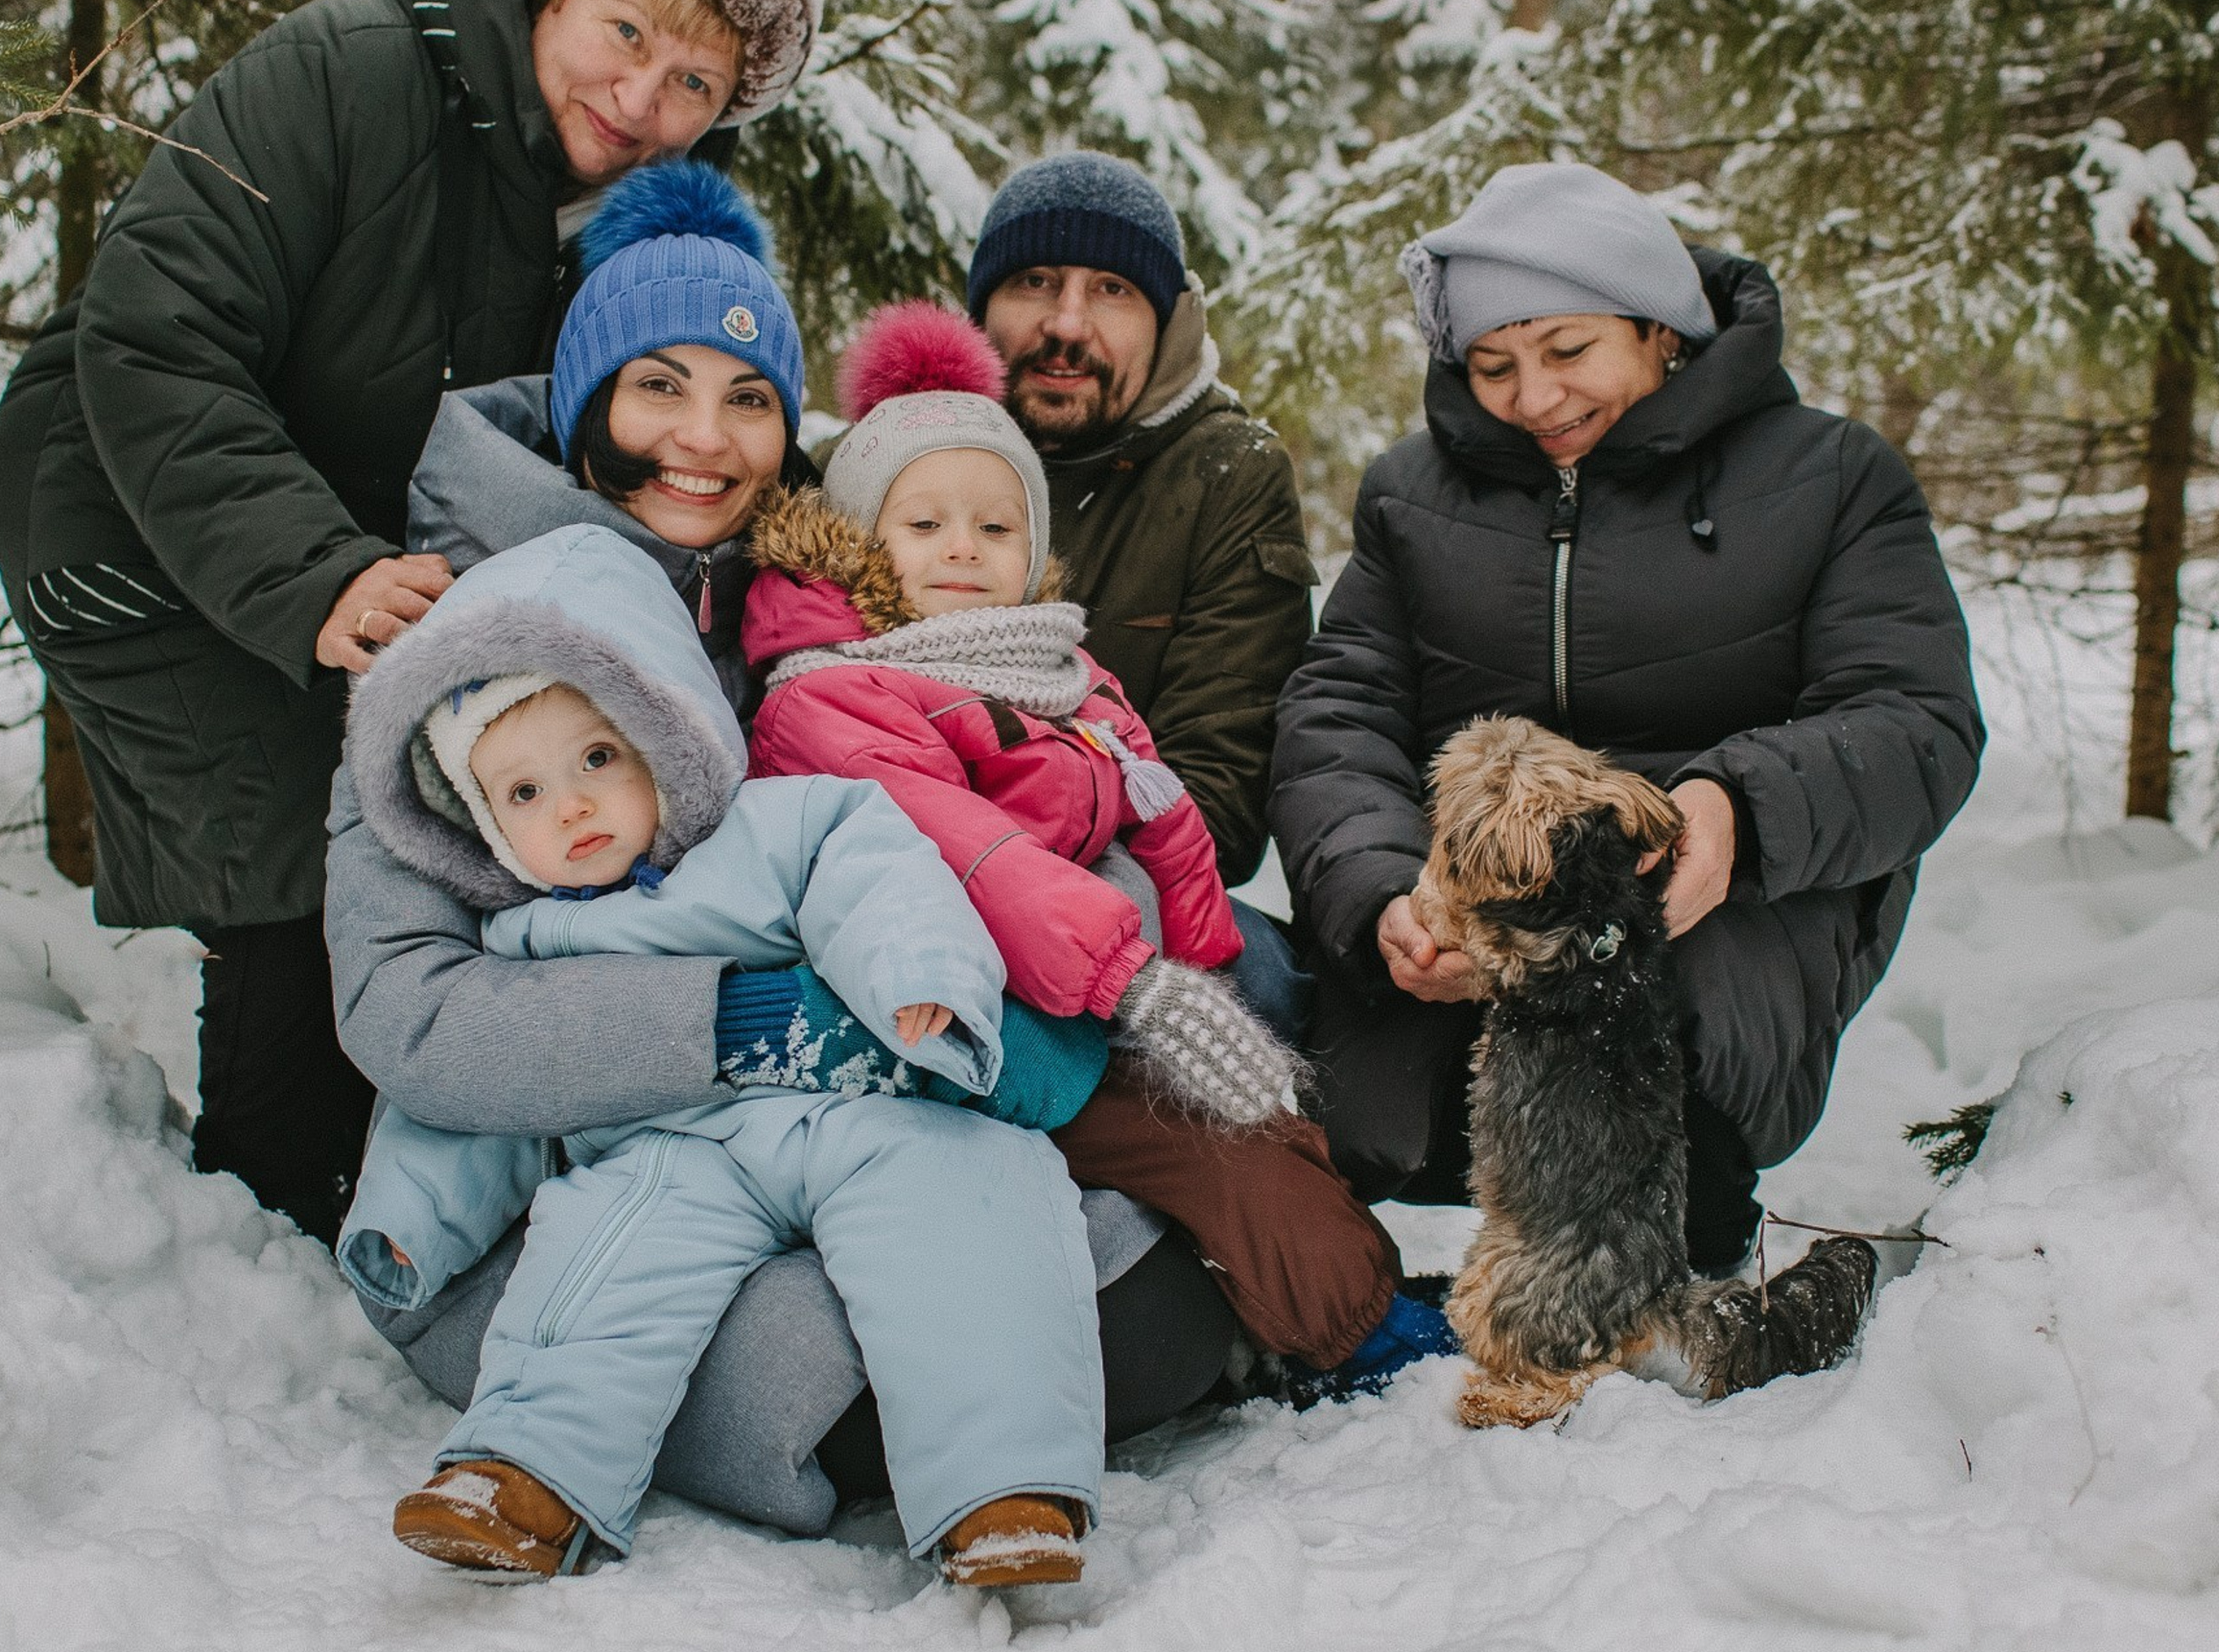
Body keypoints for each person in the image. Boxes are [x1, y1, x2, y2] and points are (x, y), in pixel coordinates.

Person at [325, 160, 1252, 1546]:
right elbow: (414, 1022)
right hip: (604, 1154)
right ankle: (536, 1472)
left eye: (748, 399)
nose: (705, 440)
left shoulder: (815, 593)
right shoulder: (467, 647)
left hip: (883, 1107)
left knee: (1138, 1288)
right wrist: (759, 1021)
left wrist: (1022, 959)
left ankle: (999, 1471)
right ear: (585, 399)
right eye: (658, 388)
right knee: (756, 1316)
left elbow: (1004, 802)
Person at [0, 0, 848, 1240]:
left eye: (697, 83)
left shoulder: (609, 202)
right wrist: (315, 575)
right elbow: (156, 330)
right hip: (127, 518)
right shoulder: (348, 71)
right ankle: (270, 1225)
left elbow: (648, 417)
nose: (645, 101)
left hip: (340, 535)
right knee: (304, 837)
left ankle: (409, 1167)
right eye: (626, 35)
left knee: (453, 799)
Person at [337, 521, 1103, 1587]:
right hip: (665, 1148)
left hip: (859, 1110)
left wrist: (919, 978)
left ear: (667, 733)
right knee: (595, 1262)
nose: (572, 806)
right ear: (483, 827)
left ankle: (1003, 1488)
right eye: (522, 794)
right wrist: (406, 1224)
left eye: (597, 758)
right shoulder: (517, 935)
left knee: (973, 1206)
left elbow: (879, 879)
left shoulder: (777, 825)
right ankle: (524, 1476)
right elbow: (473, 1104)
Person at [1271, 161, 1984, 1272]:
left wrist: (1736, 810)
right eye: (1495, 365)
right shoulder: (1412, 497)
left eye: (1568, 351)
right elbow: (1339, 712)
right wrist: (1375, 894)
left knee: (1647, 1040)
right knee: (1356, 1111)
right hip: (1481, 874)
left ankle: (1677, 1257)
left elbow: (1916, 720)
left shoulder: (1833, 477)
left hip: (1732, 886)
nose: (1534, 398)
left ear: (1661, 329)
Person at [741, 301, 1443, 1380]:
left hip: (1073, 986)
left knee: (1264, 1109)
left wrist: (1204, 966)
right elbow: (967, 851)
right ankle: (1363, 1334)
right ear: (858, 539)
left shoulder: (1052, 670)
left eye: (995, 527)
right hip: (944, 1019)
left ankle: (1318, 1298)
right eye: (923, 525)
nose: (963, 551)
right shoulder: (833, 692)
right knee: (1215, 1146)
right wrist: (1139, 988)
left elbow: (1158, 812)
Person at [963, 153, 1319, 1033]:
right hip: (903, 876)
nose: (1066, 323)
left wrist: (1025, 876)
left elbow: (1222, 803)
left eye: (1112, 289)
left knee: (1266, 984)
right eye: (1034, 281)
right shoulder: (900, 455)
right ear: (978, 310)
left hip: (1129, 893)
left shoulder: (1226, 472)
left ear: (1167, 322)